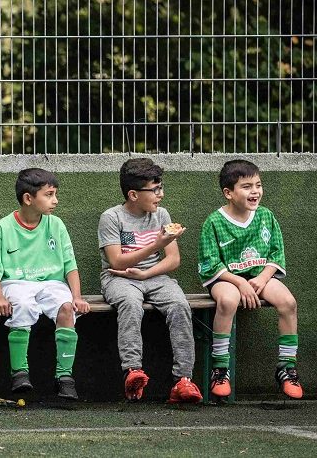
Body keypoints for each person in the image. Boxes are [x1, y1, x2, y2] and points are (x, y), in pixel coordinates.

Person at [98, 158, 203, 403]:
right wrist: (156, 245)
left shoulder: (162, 215)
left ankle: (183, 380)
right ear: (133, 194)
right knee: (131, 304)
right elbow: (117, 262)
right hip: (119, 279)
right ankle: (133, 371)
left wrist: (146, 273)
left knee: (179, 305)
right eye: (154, 190)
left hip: (155, 277)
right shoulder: (111, 217)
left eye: (161, 187)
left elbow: (173, 259)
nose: (161, 194)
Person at [198, 159, 303, 400]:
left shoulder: (266, 216)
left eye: (258, 184)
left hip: (261, 276)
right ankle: (220, 368)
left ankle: (286, 368)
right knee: (228, 301)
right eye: (246, 186)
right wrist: (240, 282)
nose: (255, 191)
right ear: (229, 193)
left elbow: (277, 253)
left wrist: (264, 276)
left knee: (288, 302)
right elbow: (210, 263)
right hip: (226, 278)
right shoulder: (213, 222)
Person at [0, 168, 90, 400]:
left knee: (65, 307)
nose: (55, 200)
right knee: (21, 304)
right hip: (16, 282)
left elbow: (69, 264)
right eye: (49, 194)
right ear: (28, 198)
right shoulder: (3, 227)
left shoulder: (57, 225)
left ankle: (64, 376)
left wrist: (77, 297)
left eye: (55, 194)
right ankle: (19, 373)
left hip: (52, 283)